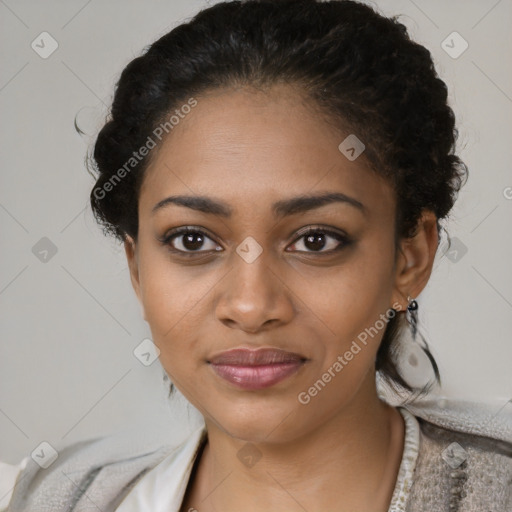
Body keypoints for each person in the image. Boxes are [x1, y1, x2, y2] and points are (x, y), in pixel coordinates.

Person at [4, 1, 511, 511]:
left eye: (316, 240)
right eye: (193, 240)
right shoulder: (44, 500)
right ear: (137, 268)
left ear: (411, 258)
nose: (250, 306)